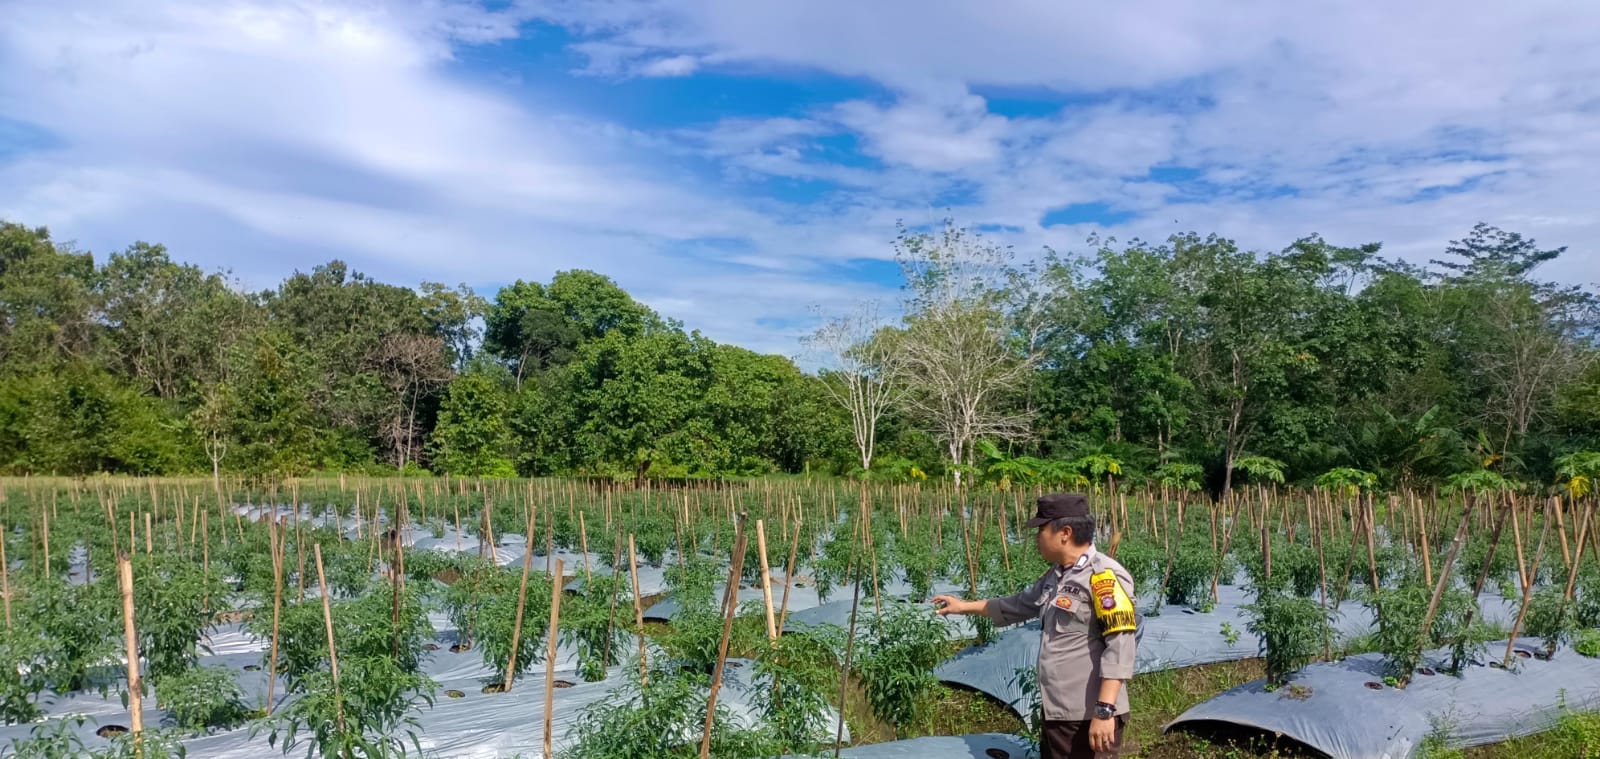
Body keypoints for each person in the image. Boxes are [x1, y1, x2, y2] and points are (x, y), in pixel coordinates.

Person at [932, 493, 1137, 759]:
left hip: (1087, 716)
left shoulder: (1104, 576)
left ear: (1064, 532)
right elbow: (1019, 605)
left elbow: (1120, 645)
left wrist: (1104, 710)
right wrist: (963, 607)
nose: (1037, 537)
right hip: (1058, 711)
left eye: (1041, 529)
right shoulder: (1057, 574)